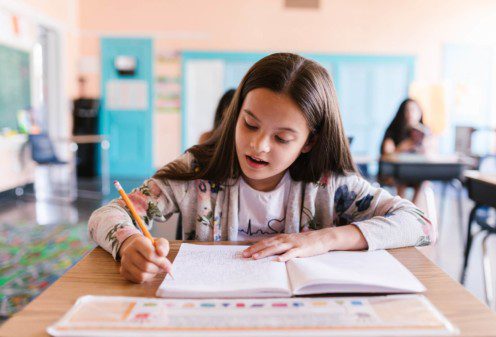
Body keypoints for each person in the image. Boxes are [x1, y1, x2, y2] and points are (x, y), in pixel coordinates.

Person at [88, 53, 434, 284]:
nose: (258, 146)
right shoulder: (199, 170)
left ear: (309, 142)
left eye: (282, 138)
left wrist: (323, 239)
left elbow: (421, 223)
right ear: (235, 115)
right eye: (249, 124)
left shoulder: (329, 183)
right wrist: (130, 242)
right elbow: (107, 214)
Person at [379, 98, 431, 203]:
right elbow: (387, 153)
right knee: (402, 178)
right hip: (395, 174)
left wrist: (426, 146)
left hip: (416, 174)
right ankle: (404, 210)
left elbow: (431, 155)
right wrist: (403, 147)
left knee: (421, 180)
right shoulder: (393, 131)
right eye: (407, 110)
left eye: (414, 110)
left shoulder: (425, 133)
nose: (411, 114)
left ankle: (412, 211)